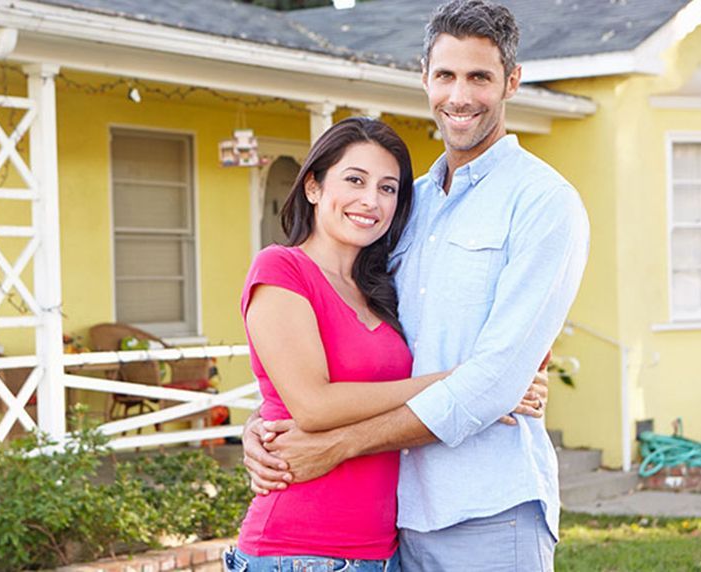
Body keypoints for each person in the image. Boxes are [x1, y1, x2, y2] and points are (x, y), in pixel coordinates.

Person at [243, 1, 590, 571]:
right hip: (394, 520)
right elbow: (345, 339)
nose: (461, 95)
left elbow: (495, 383)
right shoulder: (407, 205)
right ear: (424, 78)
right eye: (446, 75)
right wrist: (269, 424)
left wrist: (334, 445)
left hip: (489, 509)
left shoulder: (545, 204)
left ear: (512, 82)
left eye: (480, 76)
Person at [227, 117, 548, 572]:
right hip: (298, 550)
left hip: (383, 551)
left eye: (387, 188)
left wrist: (502, 382)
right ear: (314, 187)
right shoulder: (281, 269)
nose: (370, 200)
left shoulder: (381, 287)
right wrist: (467, 383)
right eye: (355, 180)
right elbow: (312, 405)